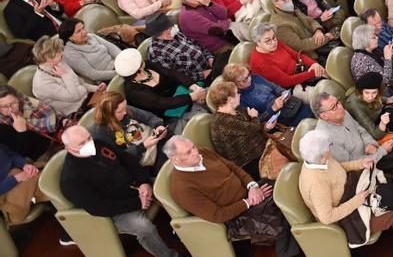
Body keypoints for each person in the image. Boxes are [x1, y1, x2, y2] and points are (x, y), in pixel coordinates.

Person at [163, 136, 299, 257]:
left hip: (248, 193)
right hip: (235, 216)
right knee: (281, 211)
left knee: (286, 190)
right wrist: (248, 202)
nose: (196, 152)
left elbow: (233, 167)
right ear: (175, 159)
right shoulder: (182, 188)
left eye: (193, 146)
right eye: (189, 152)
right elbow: (217, 215)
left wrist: (252, 186)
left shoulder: (203, 153)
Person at [59, 125, 177, 257]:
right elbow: (97, 207)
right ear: (68, 148)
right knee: (144, 228)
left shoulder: (99, 144)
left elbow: (128, 159)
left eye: (89, 138)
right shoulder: (72, 178)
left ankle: (181, 231)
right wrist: (138, 203)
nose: (89, 143)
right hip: (117, 209)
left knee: (171, 186)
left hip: (136, 188)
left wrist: (143, 182)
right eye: (82, 143)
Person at [295, 130, 393, 247]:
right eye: (329, 146)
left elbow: (338, 168)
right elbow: (327, 217)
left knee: (389, 191)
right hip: (345, 217)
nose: (330, 148)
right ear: (323, 157)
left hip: (351, 191)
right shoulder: (316, 183)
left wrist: (360, 164)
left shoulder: (318, 159)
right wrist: (357, 201)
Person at [314, 91, 393, 176]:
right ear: (324, 116)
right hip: (362, 167)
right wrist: (382, 151)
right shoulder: (326, 139)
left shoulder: (343, 113)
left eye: (338, 102)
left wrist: (371, 144)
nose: (340, 107)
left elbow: (361, 131)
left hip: (371, 151)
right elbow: (352, 165)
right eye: (334, 107)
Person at [208, 81, 275, 179]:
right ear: (230, 99)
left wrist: (265, 127)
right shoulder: (222, 122)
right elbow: (253, 127)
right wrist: (254, 117)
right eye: (237, 93)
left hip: (261, 149)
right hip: (250, 162)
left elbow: (250, 128)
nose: (239, 95)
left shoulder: (236, 110)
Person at [248, 22, 328, 96]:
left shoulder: (276, 44)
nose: (273, 42)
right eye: (268, 41)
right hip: (291, 87)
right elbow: (286, 81)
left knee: (329, 72)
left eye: (274, 37)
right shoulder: (260, 61)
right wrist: (313, 73)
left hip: (301, 71)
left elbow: (297, 55)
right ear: (258, 42)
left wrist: (314, 64)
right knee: (325, 89)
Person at [32, 35, 102, 117]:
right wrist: (65, 75)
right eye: (59, 51)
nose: (62, 52)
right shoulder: (42, 83)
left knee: (113, 96)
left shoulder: (59, 62)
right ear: (48, 58)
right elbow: (74, 96)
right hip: (77, 111)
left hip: (87, 98)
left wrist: (95, 88)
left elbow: (79, 81)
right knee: (111, 105)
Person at [58, 16, 119, 83]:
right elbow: (93, 75)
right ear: (70, 37)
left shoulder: (91, 36)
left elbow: (112, 48)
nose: (84, 32)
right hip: (107, 78)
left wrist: (124, 59)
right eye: (78, 31)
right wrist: (118, 73)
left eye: (83, 28)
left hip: (118, 65)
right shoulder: (70, 54)